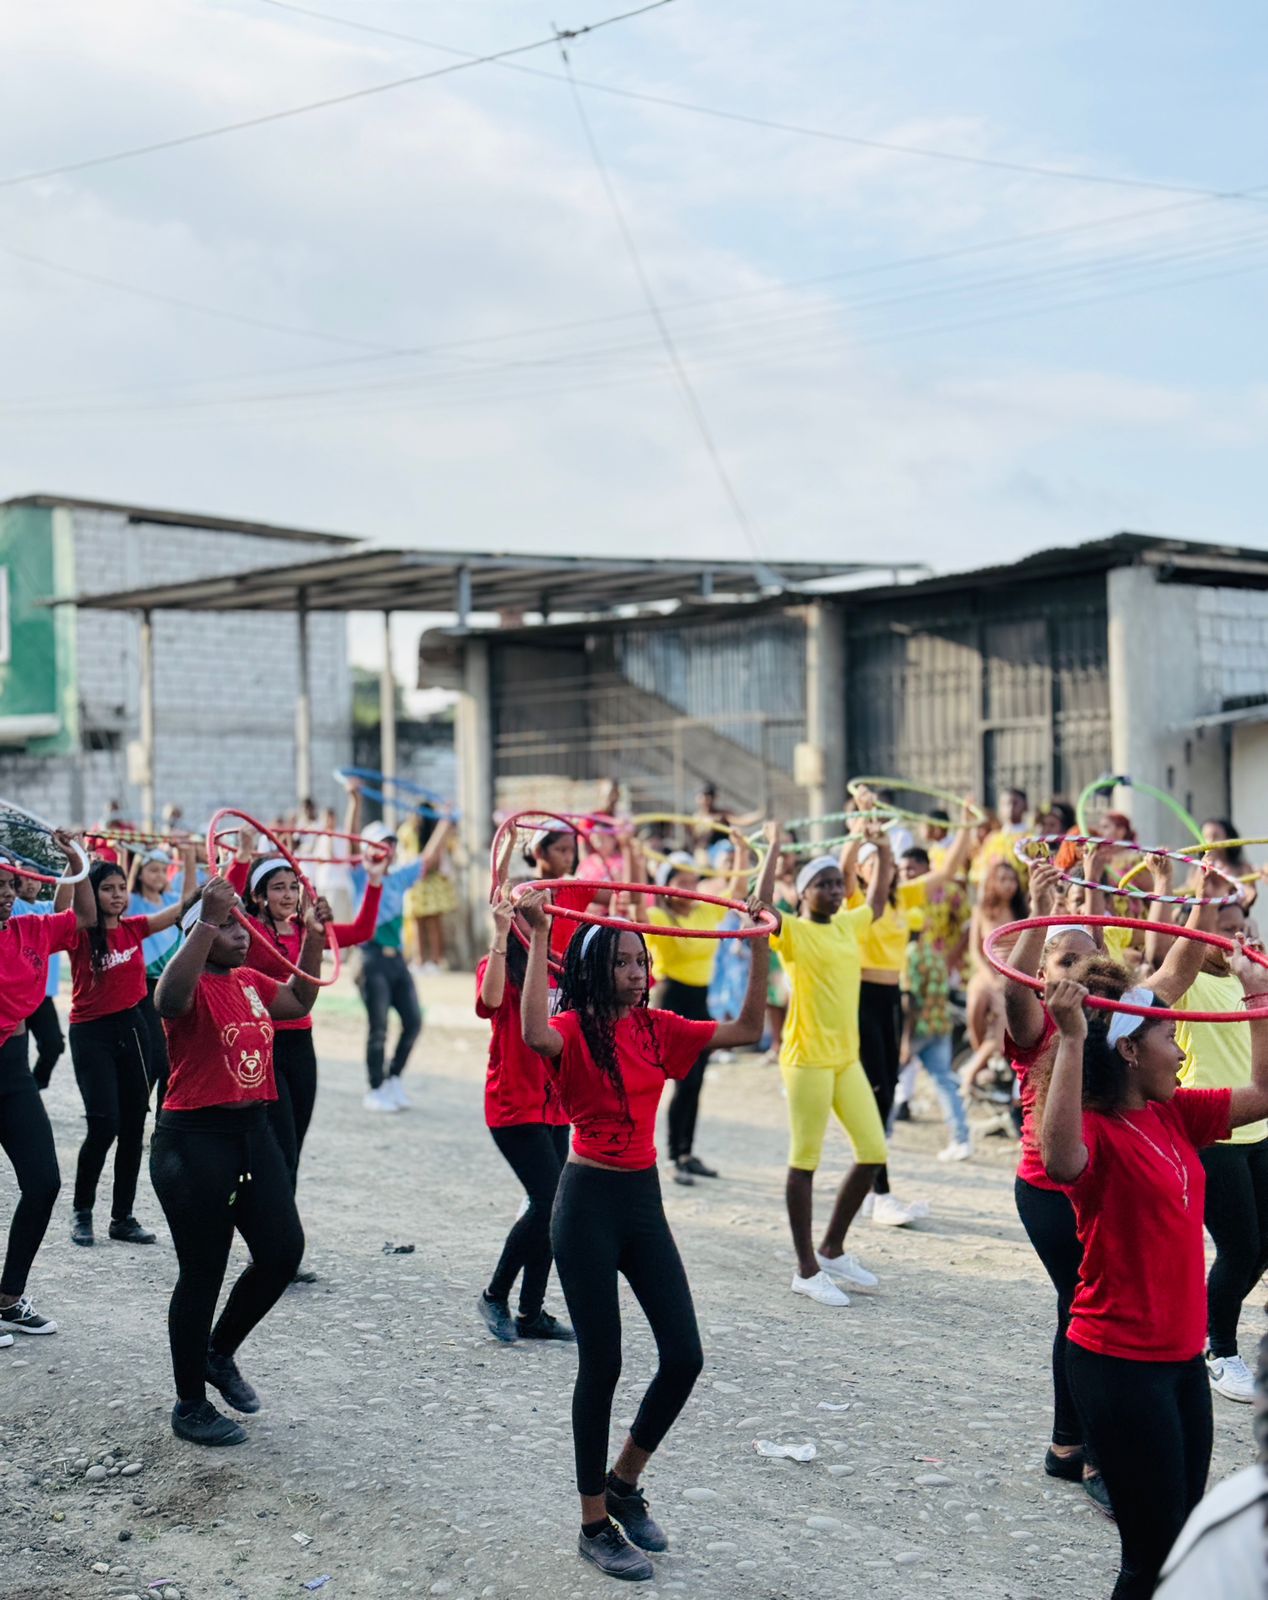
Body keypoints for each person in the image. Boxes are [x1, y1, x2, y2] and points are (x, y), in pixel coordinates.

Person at [518, 884, 768, 1581]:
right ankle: (593, 1523)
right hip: (586, 1203)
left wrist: (757, 944)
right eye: (624, 962)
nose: (638, 972)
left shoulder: (659, 1027)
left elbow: (749, 1029)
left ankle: (624, 1481)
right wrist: (538, 938)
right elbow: (534, 1034)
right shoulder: (571, 1029)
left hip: (642, 1200)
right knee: (603, 1364)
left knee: (684, 1356)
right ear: (595, 970)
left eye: (642, 961)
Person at [1041, 942, 1268, 1600]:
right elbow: (1059, 1161)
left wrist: (1256, 995)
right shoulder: (1095, 1128)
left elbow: (1263, 1093)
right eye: (1170, 1038)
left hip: (1181, 1363)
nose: (1182, 1052)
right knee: (1151, 1555)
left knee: (1182, 1540)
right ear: (1131, 1052)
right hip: (1117, 1365)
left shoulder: (1173, 1113)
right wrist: (1072, 1039)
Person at [1008, 860, 1214, 1523]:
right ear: (1043, 971)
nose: (1074, 971)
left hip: (1111, 1182)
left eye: (1084, 957)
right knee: (1084, 1307)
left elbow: (1177, 972)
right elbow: (1013, 990)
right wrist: (1038, 913)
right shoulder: (1044, 1022)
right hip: (1050, 1187)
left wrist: (1203, 902)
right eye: (1061, 960)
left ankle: (1072, 1446)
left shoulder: (1122, 1017)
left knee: (1086, 1305)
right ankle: (1091, 1453)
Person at [151, 877, 327, 1446]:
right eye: (228, 927)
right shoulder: (189, 985)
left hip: (252, 1132)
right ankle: (190, 1405)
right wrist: (207, 917)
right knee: (202, 1270)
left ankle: (218, 1351)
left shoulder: (249, 981)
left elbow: (298, 1002)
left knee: (282, 1251)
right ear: (199, 935)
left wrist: (314, 937)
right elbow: (166, 1001)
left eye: (240, 925)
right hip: (194, 1142)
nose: (242, 934)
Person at [225, 839, 385, 1279]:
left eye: (293, 887)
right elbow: (225, 903)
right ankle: (270, 1248)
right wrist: (240, 861)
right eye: (277, 887)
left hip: (301, 1047)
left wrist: (374, 881)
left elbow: (363, 931)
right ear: (259, 896)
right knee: (278, 1152)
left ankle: (277, 1246)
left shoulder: (307, 928)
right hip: (263, 1047)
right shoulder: (246, 931)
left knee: (292, 1151)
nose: (288, 894)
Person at [752, 824, 888, 1305]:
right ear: (803, 893)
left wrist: (881, 847)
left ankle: (831, 1248)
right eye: (823, 884)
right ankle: (806, 1269)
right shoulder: (793, 931)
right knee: (805, 1161)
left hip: (845, 1060)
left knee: (873, 1152)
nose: (834, 890)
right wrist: (773, 847)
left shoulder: (850, 923)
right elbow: (759, 907)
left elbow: (877, 901)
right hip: (806, 1060)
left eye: (837, 883)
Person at [1146, 880, 1268, 1404]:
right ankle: (1220, 1352)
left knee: (1260, 1247)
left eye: (1240, 926)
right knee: (1239, 1249)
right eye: (1223, 929)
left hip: (1260, 1128)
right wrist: (1180, 893)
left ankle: (1203, 1321)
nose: (1235, 937)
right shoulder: (1190, 983)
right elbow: (1163, 954)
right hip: (1213, 1132)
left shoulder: (1253, 977)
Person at [846, 809, 974, 1222]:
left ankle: (869, 1186)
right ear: (862, 871)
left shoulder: (903, 897)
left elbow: (949, 870)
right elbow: (846, 870)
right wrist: (857, 835)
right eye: (875, 863)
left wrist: (964, 825)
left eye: (887, 861)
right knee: (875, 1091)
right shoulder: (854, 899)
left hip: (891, 998)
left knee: (885, 1091)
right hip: (861, 996)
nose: (885, 868)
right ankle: (878, 1191)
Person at [66, 860, 189, 1248]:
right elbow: (63, 903)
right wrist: (74, 861)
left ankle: (122, 1218)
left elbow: (181, 909)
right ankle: (82, 1211)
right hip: (91, 1034)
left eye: (121, 888)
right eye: (108, 889)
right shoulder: (78, 932)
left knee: (134, 1127)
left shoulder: (135, 928)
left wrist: (216, 882)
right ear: (92, 894)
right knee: (104, 1125)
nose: (117, 895)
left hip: (134, 1029)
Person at [0, 838, 95, 1340]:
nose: (5, 893)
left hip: (12, 1071)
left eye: (9, 884)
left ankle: (7, 1297)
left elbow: (84, 917)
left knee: (43, 1182)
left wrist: (77, 862)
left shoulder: (30, 929)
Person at [475, 877, 574, 1345]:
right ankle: (494, 1295)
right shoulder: (497, 963)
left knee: (554, 1208)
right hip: (513, 1105)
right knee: (549, 1200)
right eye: (533, 911)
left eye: (548, 911)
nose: (542, 917)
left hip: (556, 1106)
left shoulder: (559, 967)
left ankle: (531, 1312)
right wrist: (500, 935)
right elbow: (490, 1002)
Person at [636, 835, 750, 1187]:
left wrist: (742, 850)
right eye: (680, 882)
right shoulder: (658, 915)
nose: (688, 888)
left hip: (701, 1003)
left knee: (695, 1081)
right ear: (666, 888)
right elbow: (636, 906)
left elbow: (738, 893)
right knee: (669, 1083)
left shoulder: (705, 910)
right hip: (670, 1000)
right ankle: (668, 1156)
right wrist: (632, 854)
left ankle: (685, 1153)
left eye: (692, 881)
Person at [343, 787, 453, 1112]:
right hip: (369, 957)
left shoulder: (399, 877)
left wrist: (445, 821)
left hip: (396, 960)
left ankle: (393, 1079)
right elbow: (350, 843)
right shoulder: (361, 876)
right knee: (378, 1027)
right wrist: (355, 801)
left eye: (390, 844)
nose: (387, 849)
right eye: (380, 844)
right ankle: (375, 1088)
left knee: (413, 1021)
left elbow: (428, 858)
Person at [897, 850, 971, 1160]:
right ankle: (961, 1137)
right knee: (943, 1081)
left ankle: (880, 1136)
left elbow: (909, 999)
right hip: (939, 1024)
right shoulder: (932, 955)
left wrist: (905, 1041)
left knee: (887, 1078)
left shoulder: (909, 955)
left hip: (917, 1028)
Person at [128, 842, 198, 1106]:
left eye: (162, 870)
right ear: (140, 873)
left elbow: (190, 900)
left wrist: (189, 857)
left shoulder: (171, 901)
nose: (159, 875)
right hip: (144, 987)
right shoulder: (133, 902)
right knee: (156, 1055)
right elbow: (125, 885)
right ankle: (136, 1107)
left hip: (171, 985)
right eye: (152, 869)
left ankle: (163, 1115)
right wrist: (127, 856)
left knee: (170, 1058)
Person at [12, 872, 68, 1091]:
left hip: (42, 996)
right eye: (24, 877)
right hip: (16, 996)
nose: (30, 882)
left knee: (54, 1045)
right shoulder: (12, 905)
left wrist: (76, 864)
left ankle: (33, 1087)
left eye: (34, 877)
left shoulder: (48, 908)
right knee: (18, 1052)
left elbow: (64, 905)